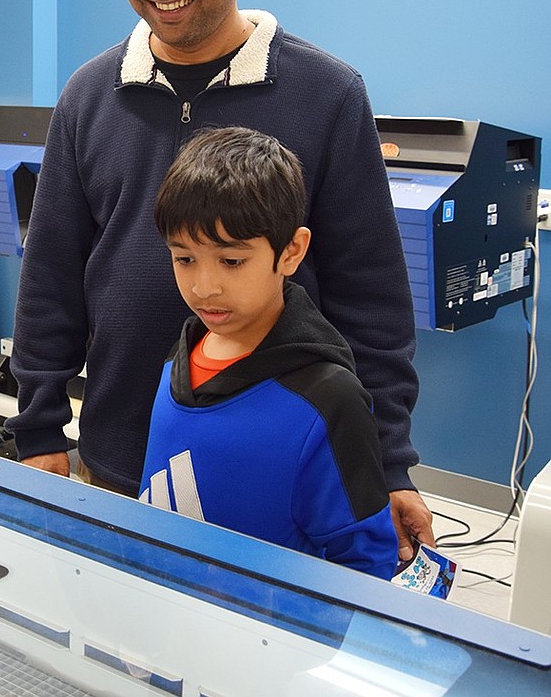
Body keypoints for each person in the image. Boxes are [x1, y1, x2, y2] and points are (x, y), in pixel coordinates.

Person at [7, 0, 435, 560]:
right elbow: (51, 276)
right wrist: (41, 430)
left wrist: (386, 462)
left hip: (276, 463)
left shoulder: (328, 96)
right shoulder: (88, 95)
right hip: (120, 453)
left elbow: (372, 298)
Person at [139, 127, 397, 578]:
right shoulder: (178, 354)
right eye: (184, 258)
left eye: (232, 261)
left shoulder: (329, 400)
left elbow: (363, 564)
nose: (204, 287)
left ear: (292, 251)